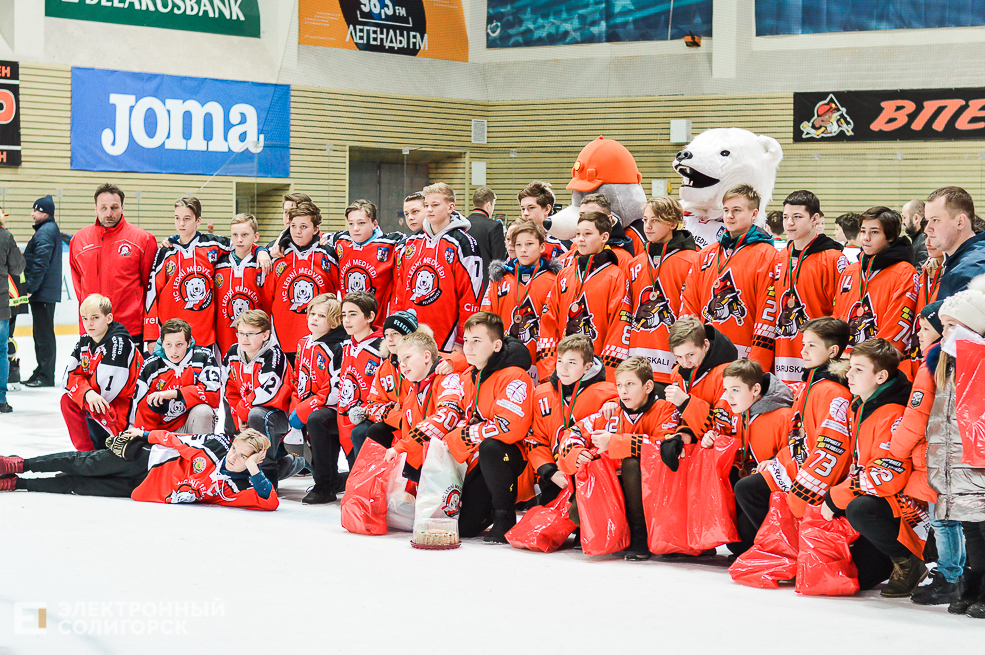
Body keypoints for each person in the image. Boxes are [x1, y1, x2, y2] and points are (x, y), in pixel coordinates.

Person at [823, 338, 926, 597]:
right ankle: (889, 558)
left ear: (880, 376)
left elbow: (889, 475)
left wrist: (835, 497)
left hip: (900, 508)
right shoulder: (860, 405)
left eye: (858, 369)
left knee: (859, 507)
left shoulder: (893, 412)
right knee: (862, 577)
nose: (849, 374)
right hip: (876, 499)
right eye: (850, 367)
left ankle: (909, 561)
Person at [559, 356, 678, 560]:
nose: (623, 391)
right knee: (576, 512)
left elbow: (665, 447)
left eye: (630, 384)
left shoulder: (666, 410)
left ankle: (640, 533)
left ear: (648, 386)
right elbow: (571, 433)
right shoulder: (610, 409)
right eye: (620, 385)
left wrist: (615, 443)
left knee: (632, 463)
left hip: (657, 494)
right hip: (616, 488)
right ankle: (621, 534)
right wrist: (577, 453)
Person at [0, 428, 278, 510]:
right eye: (234, 449)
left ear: (254, 460)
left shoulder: (240, 488)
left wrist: (253, 469)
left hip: (142, 488)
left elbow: (270, 502)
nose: (233, 458)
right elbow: (175, 440)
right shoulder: (216, 445)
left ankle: (18, 483)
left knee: (77, 485)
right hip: (146, 459)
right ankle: (21, 464)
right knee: (82, 463)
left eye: (242, 457)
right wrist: (143, 435)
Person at [922, 277, 985, 616]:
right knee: (971, 527)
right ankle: (973, 584)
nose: (944, 333)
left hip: (980, 461)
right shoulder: (946, 362)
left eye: (950, 326)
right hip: (957, 461)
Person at [442, 312, 533, 543]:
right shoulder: (469, 375)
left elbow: (509, 427)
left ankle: (505, 516)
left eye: (477, 341)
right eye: (467, 340)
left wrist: (463, 435)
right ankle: (488, 510)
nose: (468, 347)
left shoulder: (515, 375)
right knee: (467, 528)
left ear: (496, 345)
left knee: (492, 446)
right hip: (477, 457)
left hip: (513, 457)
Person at [892, 300, 958, 606]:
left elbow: (917, 415)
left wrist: (898, 449)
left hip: (941, 457)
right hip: (953, 454)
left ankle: (949, 576)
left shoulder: (935, 361)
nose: (919, 334)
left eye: (927, 328)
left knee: (944, 520)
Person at [680, 184, 779, 371]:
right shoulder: (705, 254)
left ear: (754, 214)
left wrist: (757, 366)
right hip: (705, 356)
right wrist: (689, 350)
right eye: (726, 210)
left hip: (743, 360)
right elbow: (689, 303)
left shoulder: (768, 256)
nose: (729, 216)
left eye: (736, 210)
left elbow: (767, 314)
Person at [769, 190, 848, 390]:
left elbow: (840, 313)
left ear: (815, 219)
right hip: (782, 352)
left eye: (797, 217)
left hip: (817, 355)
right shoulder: (780, 257)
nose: (789, 223)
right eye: (786, 217)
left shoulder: (833, 258)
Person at [528, 334, 618, 506]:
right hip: (554, 476)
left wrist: (615, 404)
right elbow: (535, 439)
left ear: (588, 366)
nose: (563, 369)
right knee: (546, 524)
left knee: (582, 527)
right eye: (560, 361)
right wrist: (550, 472)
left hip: (588, 477)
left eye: (572, 362)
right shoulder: (542, 393)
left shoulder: (607, 393)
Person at [539, 211, 632, 378]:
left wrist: (605, 375)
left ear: (604, 237)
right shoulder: (564, 274)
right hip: (562, 371)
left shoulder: (615, 276)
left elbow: (618, 327)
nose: (580, 239)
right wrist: (549, 370)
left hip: (595, 371)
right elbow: (548, 321)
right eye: (578, 234)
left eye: (587, 234)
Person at [716, 358, 794, 555]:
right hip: (756, 478)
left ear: (756, 389)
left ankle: (779, 544)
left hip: (783, 491)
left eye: (735, 389)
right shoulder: (742, 411)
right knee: (737, 544)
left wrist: (777, 461)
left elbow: (797, 453)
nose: (728, 396)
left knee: (745, 489)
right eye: (726, 389)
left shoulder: (783, 415)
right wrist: (713, 436)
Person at [398, 183, 483, 353]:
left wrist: (462, 338)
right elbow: (400, 291)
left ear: (451, 207)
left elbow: (471, 295)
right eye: (427, 205)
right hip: (410, 336)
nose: (429, 210)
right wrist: (396, 329)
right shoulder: (410, 243)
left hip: (448, 340)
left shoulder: (464, 243)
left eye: (435, 205)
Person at [69, 184, 158, 344]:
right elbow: (79, 288)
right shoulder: (78, 240)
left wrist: (151, 334)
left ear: (123, 207)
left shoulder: (143, 240)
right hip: (92, 330)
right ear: (95, 208)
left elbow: (150, 291)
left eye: (114, 207)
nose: (109, 213)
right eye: (103, 208)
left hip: (130, 329)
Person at [144, 197, 233, 352]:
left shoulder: (212, 244)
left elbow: (241, 243)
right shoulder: (166, 251)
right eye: (177, 218)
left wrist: (260, 251)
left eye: (187, 219)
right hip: (171, 338)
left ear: (198, 220)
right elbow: (152, 294)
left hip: (204, 337)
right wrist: (151, 336)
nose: (181, 224)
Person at [626, 196, 697, 387]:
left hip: (673, 365)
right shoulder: (634, 263)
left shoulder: (693, 261)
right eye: (645, 219)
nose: (647, 226)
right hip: (636, 365)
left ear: (673, 223)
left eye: (655, 220)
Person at [221, 309, 294, 489]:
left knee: (257, 415)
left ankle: (269, 474)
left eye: (251, 334)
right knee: (232, 419)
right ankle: (237, 472)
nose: (244, 339)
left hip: (278, 415)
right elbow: (228, 388)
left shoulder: (274, 355)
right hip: (245, 410)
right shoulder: (232, 353)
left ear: (265, 334)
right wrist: (237, 414)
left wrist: (242, 412)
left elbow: (266, 393)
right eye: (240, 333)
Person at [482, 219, 561, 383]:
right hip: (505, 359)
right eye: (518, 245)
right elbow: (487, 320)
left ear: (541, 247)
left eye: (529, 244)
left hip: (543, 361)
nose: (523, 250)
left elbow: (558, 326)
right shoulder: (499, 280)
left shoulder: (554, 281)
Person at [833, 206, 918, 358]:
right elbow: (838, 316)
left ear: (890, 236)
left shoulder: (904, 272)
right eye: (863, 231)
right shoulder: (850, 271)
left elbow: (897, 327)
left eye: (874, 232)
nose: (865, 238)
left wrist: (869, 362)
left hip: (878, 365)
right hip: (844, 361)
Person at [62, 294, 143, 451]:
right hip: (104, 406)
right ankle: (86, 454)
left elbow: (105, 392)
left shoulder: (119, 343)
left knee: (93, 403)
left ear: (109, 318)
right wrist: (86, 392)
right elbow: (66, 379)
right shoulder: (85, 340)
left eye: (95, 317)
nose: (89, 323)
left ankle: (114, 448)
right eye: (85, 318)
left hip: (128, 410)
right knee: (68, 400)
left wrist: (84, 389)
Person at [383, 329, 465, 482]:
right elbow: (410, 442)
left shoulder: (447, 377)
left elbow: (448, 416)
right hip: (437, 466)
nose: (402, 364)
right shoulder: (411, 397)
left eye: (407, 357)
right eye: (400, 360)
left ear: (427, 356)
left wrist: (402, 447)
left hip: (461, 462)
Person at [288, 294, 348, 505]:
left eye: (321, 316)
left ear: (333, 321)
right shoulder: (303, 342)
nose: (314, 318)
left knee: (316, 420)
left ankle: (324, 485)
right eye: (312, 313)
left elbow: (335, 387)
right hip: (306, 405)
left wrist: (305, 409)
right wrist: (295, 404)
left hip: (331, 406)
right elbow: (297, 377)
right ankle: (333, 480)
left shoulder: (338, 346)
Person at [262, 201, 337, 365]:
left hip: (322, 338)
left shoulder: (330, 253)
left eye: (304, 226)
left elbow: (339, 291)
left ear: (316, 229)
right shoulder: (277, 253)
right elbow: (267, 296)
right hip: (284, 337)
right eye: (294, 225)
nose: (297, 231)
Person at [129, 318, 220, 434]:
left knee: (204, 411)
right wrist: (146, 439)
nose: (174, 351)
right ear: (162, 343)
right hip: (163, 432)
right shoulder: (150, 367)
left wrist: (175, 393)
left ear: (188, 343)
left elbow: (213, 395)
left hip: (191, 424)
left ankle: (202, 450)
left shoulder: (204, 357)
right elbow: (143, 410)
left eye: (179, 344)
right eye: (168, 344)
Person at [662, 316, 738, 453]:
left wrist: (686, 403)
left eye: (690, 354)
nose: (685, 363)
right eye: (679, 357)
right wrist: (680, 435)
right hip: (693, 450)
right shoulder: (677, 373)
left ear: (706, 345)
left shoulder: (727, 375)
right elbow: (674, 418)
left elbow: (723, 429)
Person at [326, 199, 401, 316]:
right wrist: (285, 241)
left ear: (374, 224)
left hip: (377, 321)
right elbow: (310, 234)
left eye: (361, 223)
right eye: (351, 223)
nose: (355, 228)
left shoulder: (391, 243)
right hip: (348, 320)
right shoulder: (340, 240)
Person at [214, 214, 270, 359]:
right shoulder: (218, 263)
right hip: (224, 335)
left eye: (245, 235)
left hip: (255, 336)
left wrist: (261, 250)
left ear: (255, 236)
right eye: (235, 235)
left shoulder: (263, 264)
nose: (239, 239)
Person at [337, 292, 384, 460]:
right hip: (344, 414)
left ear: (370, 316)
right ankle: (326, 481)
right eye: (344, 315)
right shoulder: (346, 345)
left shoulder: (382, 348)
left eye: (353, 314)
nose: (346, 320)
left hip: (369, 415)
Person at [22, 194, 62, 387]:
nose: (32, 214)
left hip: (42, 292)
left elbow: (41, 263)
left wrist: (30, 288)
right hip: (43, 291)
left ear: (44, 212)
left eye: (35, 210)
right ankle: (41, 371)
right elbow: (37, 257)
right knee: (41, 333)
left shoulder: (45, 231)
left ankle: (46, 376)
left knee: (44, 334)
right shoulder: (46, 230)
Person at [925, 186, 985, 299]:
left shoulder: (972, 269)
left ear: (960, 222)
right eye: (928, 221)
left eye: (935, 220)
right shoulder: (958, 261)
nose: (927, 229)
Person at [0, 215, 25, 412]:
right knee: (1, 351)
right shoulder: (5, 237)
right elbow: (18, 267)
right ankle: (0, 400)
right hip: (1, 305)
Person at [466, 186, 508, 296]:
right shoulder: (494, 226)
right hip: (485, 287)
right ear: (488, 204)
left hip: (465, 285)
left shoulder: (462, 225)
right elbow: (499, 260)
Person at [518, 181, 568, 259]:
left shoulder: (563, 241)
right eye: (523, 209)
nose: (525, 213)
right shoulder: (516, 239)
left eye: (531, 208)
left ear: (547, 209)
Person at [902, 199, 929, 268]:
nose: (903, 222)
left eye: (904, 217)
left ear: (916, 218)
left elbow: (919, 274)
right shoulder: (919, 240)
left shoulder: (924, 242)